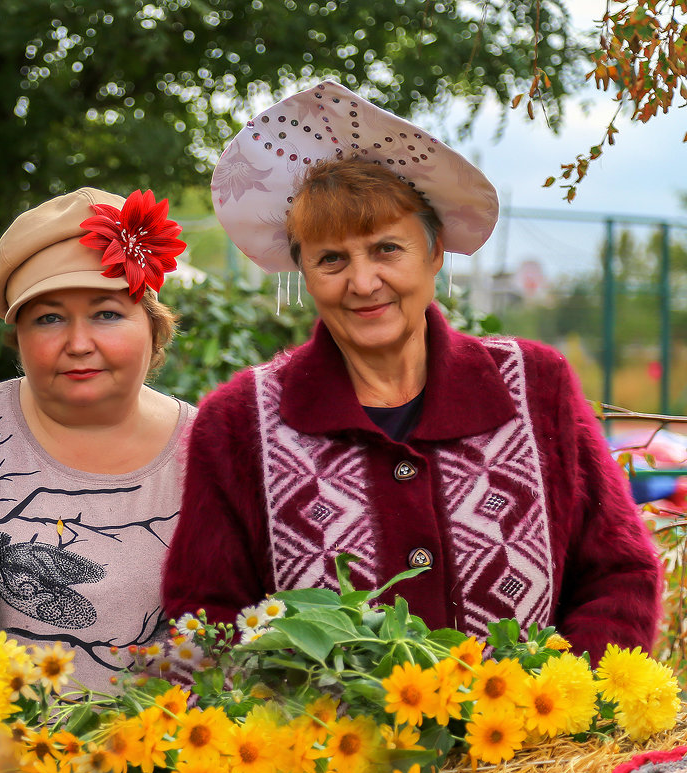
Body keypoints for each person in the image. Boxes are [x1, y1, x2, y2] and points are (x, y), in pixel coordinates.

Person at [163, 81, 661, 661]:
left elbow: (619, 573)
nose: (363, 282)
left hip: (532, 743)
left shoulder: (532, 384)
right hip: (334, 749)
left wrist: (564, 707)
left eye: (386, 249)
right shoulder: (240, 421)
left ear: (435, 254)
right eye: (331, 259)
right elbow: (205, 615)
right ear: (304, 273)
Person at [0, 188, 196, 691]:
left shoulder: (214, 453)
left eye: (107, 313)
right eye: (49, 318)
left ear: (154, 329)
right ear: (18, 337)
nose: (78, 343)